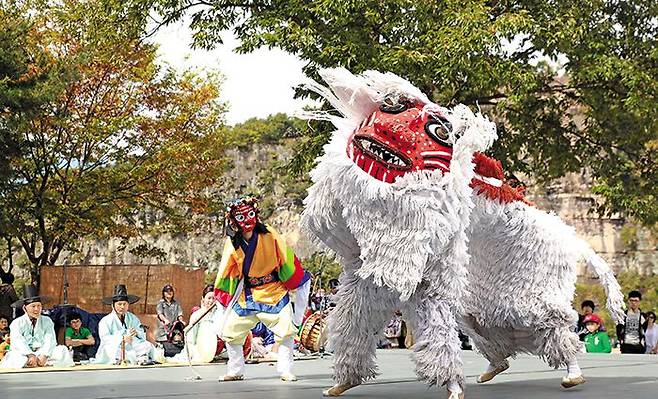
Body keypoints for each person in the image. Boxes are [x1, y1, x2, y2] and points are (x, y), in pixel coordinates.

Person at [214, 196, 311, 382]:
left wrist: (295, 278)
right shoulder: (233, 242)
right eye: (241, 217)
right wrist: (224, 294)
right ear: (234, 221)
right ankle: (235, 371)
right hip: (247, 294)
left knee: (286, 331)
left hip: (273, 291)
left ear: (256, 214)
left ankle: (285, 369)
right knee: (231, 331)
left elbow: (285, 258)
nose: (247, 221)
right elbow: (227, 270)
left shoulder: (270, 234)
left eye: (250, 214)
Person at [0, 284, 73, 369]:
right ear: (24, 308)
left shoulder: (47, 321)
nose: (36, 309)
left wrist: (44, 355)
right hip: (24, 354)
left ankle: (39, 362)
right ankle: (31, 362)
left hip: (42, 353)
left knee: (62, 351)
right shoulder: (17, 323)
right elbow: (18, 341)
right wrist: (30, 355)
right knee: (15, 357)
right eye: (33, 306)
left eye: (39, 306)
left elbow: (50, 339)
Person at [94, 284, 158, 365]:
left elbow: (140, 331)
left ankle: (142, 360)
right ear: (113, 305)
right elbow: (105, 338)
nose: (122, 307)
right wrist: (122, 339)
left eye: (125, 304)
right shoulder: (106, 321)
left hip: (130, 344)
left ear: (128, 305)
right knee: (109, 349)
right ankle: (125, 359)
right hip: (115, 346)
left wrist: (136, 333)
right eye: (119, 304)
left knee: (146, 345)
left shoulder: (132, 317)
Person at [168, 284, 220, 364]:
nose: (211, 301)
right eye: (209, 298)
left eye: (214, 298)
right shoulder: (197, 315)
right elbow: (191, 338)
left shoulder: (219, 315)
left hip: (214, 351)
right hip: (199, 351)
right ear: (203, 299)